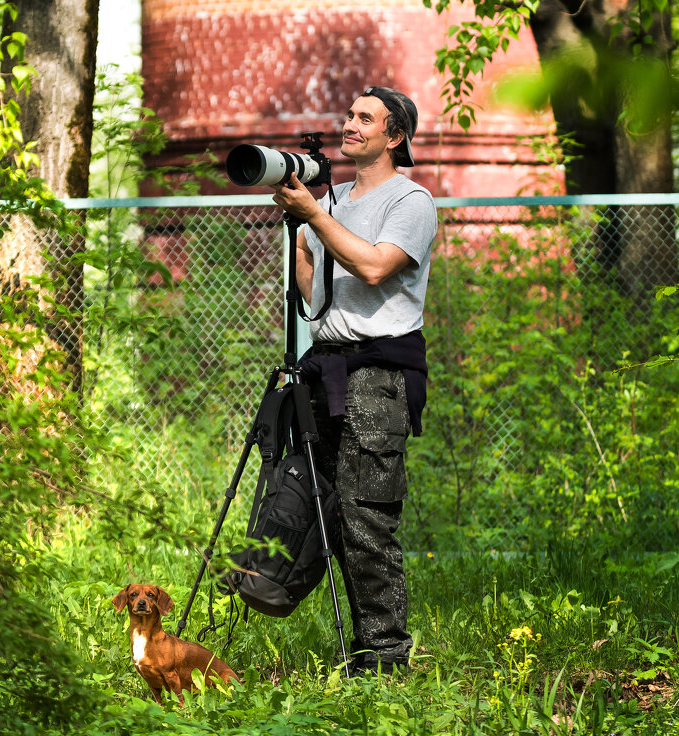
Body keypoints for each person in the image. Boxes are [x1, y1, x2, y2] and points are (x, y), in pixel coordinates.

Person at [271, 86, 437, 675]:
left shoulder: (410, 201)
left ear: (394, 137)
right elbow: (316, 297)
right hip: (328, 364)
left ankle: (389, 660)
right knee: (331, 515)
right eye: (348, 116)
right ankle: (362, 651)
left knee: (368, 517)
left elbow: (372, 267)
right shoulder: (334, 196)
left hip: (379, 376)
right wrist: (303, 235)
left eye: (365, 118)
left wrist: (316, 216)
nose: (350, 125)